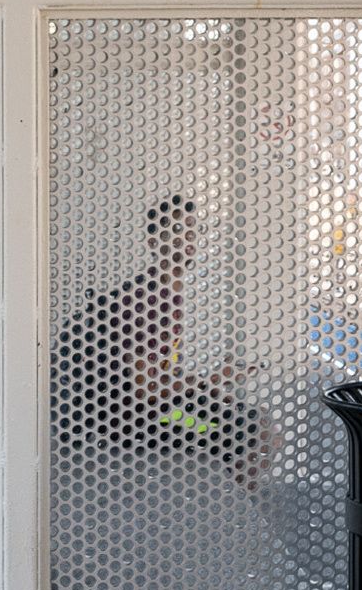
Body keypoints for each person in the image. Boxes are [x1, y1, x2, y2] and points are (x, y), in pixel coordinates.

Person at [51, 191, 272, 487]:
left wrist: (206, 393)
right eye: (177, 229)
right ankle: (235, 511)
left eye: (193, 229)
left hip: (155, 410)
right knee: (258, 431)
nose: (186, 238)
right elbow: (146, 390)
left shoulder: (164, 295)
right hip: (138, 423)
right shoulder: (146, 301)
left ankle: (235, 502)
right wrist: (214, 381)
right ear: (155, 242)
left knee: (248, 419)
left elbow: (162, 375)